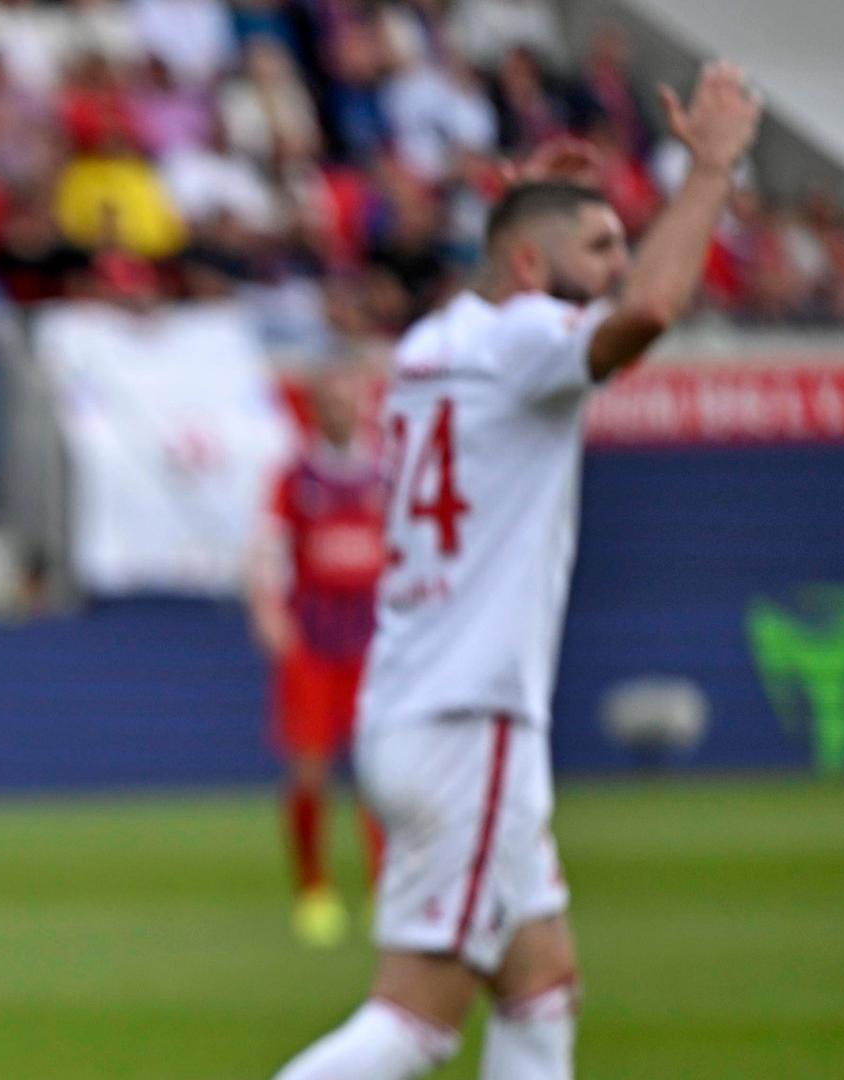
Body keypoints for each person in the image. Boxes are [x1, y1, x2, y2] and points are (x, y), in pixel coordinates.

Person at [273, 60, 760, 1080]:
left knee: (542, 986)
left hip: (410, 713)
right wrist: (708, 170)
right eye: (600, 246)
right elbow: (651, 312)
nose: (619, 261)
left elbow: (517, 279)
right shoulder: (530, 338)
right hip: (472, 721)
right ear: (534, 271)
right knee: (414, 1023)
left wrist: (529, 208)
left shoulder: (430, 344)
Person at [246, 360, 386, 947]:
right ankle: (313, 885)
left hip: (374, 641)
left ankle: (388, 889)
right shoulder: (294, 476)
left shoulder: (387, 469)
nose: (342, 408)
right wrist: (267, 612)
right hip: (314, 640)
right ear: (314, 406)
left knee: (382, 773)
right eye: (331, 397)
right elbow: (266, 548)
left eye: (350, 396)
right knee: (309, 770)